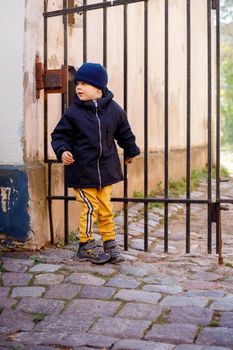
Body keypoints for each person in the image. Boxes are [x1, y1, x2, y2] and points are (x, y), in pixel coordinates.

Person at [51, 62, 140, 264]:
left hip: (105, 169)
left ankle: (110, 243)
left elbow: (124, 132)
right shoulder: (73, 112)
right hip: (82, 171)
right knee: (90, 208)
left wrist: (131, 150)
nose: (79, 87)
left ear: (99, 88)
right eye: (77, 83)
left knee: (106, 208)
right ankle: (86, 246)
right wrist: (63, 151)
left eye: (84, 83)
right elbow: (59, 135)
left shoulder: (114, 110)